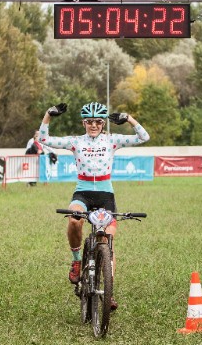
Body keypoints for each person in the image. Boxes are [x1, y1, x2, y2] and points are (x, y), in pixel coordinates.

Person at [38, 102, 149, 311]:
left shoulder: (112, 140)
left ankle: (108, 291)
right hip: (83, 193)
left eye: (98, 121)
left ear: (103, 123)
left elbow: (144, 137)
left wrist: (129, 119)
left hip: (106, 195)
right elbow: (43, 139)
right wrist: (48, 115)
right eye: (90, 122)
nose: (94, 125)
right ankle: (76, 260)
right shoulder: (75, 142)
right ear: (84, 123)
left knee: (107, 241)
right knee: (74, 220)